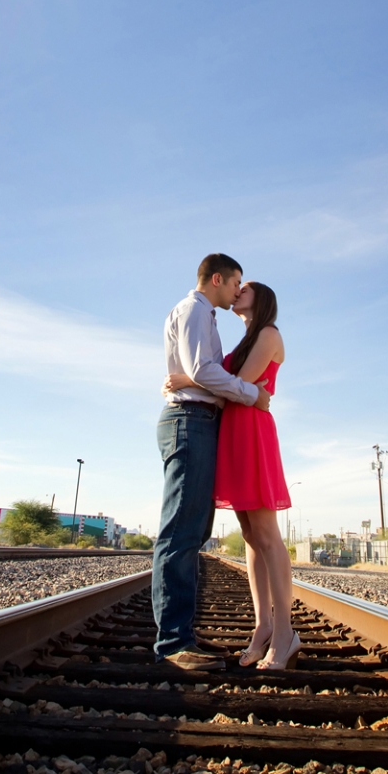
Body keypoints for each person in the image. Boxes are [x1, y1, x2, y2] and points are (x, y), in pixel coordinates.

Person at [164, 281, 299, 671]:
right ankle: (263, 629)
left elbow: (240, 380)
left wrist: (188, 378)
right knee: (252, 536)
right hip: (234, 430)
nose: (239, 291)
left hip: (253, 431)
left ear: (264, 298)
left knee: (268, 535)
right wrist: (198, 375)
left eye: (247, 288)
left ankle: (286, 634)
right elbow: (231, 380)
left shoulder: (269, 334)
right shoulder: (246, 337)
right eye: (237, 286)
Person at [152, 253, 272, 669]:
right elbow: (203, 369)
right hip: (189, 420)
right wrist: (251, 394)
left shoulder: (207, 316)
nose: (239, 291)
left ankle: (181, 634)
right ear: (217, 279)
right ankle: (173, 644)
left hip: (199, 420)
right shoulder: (194, 310)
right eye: (235, 283)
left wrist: (209, 383)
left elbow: (199, 372)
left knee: (193, 529)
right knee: (181, 532)